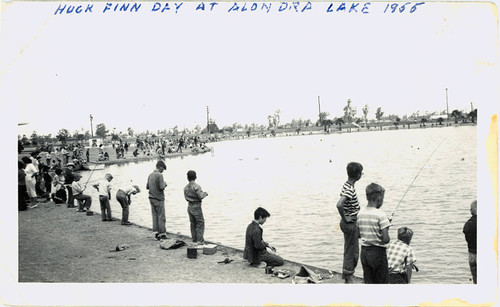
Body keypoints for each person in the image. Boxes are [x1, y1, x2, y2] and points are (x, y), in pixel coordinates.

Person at [357, 183, 391, 284]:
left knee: (369, 281)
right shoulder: (381, 215)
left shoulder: (360, 213)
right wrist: (386, 228)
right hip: (378, 253)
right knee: (382, 282)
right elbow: (386, 240)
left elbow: (358, 235)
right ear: (379, 199)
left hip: (364, 252)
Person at [336, 162, 363, 283]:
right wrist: (346, 218)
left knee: (352, 250)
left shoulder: (347, 185)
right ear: (357, 175)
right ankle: (348, 276)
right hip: (349, 224)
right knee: (351, 251)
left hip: (352, 223)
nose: (361, 174)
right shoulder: (349, 189)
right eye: (361, 172)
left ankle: (349, 275)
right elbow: (339, 204)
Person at [183, 170, 208, 245]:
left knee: (192, 223)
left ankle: (194, 240)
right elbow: (200, 196)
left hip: (189, 205)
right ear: (196, 177)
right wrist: (205, 194)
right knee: (200, 223)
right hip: (196, 206)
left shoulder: (185, 188)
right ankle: (200, 241)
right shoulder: (197, 186)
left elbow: (186, 197)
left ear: (187, 178)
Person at [146, 160, 168, 240]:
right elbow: (161, 187)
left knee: (154, 216)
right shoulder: (159, 175)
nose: (163, 171)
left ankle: (156, 233)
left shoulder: (150, 175)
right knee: (161, 217)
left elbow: (147, 187)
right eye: (163, 169)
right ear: (160, 167)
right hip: (159, 198)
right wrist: (165, 184)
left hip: (151, 197)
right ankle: (162, 234)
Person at [463, 200, 477, 284]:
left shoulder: (467, 224)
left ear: (471, 211)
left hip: (472, 254)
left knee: (476, 280)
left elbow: (467, 239)